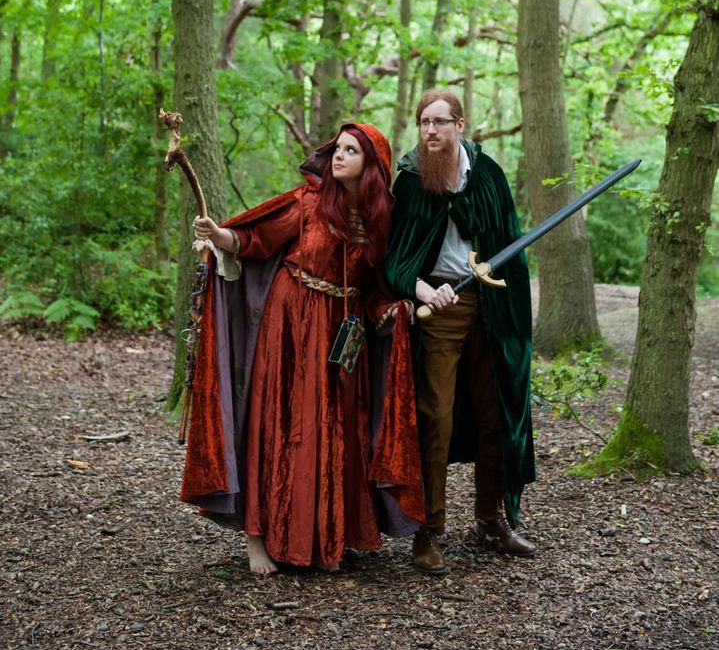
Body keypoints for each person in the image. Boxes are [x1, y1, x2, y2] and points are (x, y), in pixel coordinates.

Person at [181, 122, 424, 574]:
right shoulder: (308, 202)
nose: (339, 156)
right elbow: (254, 240)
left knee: (334, 431)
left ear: (372, 165)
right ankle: (258, 539)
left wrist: (388, 311)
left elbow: (374, 290)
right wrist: (219, 235)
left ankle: (324, 538)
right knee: (279, 425)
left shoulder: (380, 222)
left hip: (342, 333)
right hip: (291, 322)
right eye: (337, 148)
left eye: (351, 151)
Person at [383, 89, 536, 575]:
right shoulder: (410, 182)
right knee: (435, 416)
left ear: (460, 125)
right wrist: (423, 290)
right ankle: (428, 529)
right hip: (439, 309)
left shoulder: (488, 175)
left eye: (439, 122)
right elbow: (395, 258)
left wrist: (509, 307)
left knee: (496, 411)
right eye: (423, 122)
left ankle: (492, 519)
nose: (430, 131)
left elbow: (509, 241)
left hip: (491, 304)